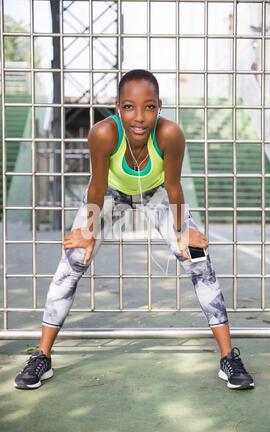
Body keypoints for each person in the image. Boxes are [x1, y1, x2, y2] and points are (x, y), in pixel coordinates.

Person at [14, 69, 254, 391]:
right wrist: (88, 230)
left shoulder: (170, 134)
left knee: (197, 258)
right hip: (109, 194)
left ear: (160, 106)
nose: (139, 117)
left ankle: (228, 357)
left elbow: (173, 187)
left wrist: (183, 231)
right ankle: (42, 356)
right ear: (117, 107)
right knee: (74, 259)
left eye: (149, 107)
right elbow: (97, 187)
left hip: (156, 193)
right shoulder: (103, 134)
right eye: (129, 107)